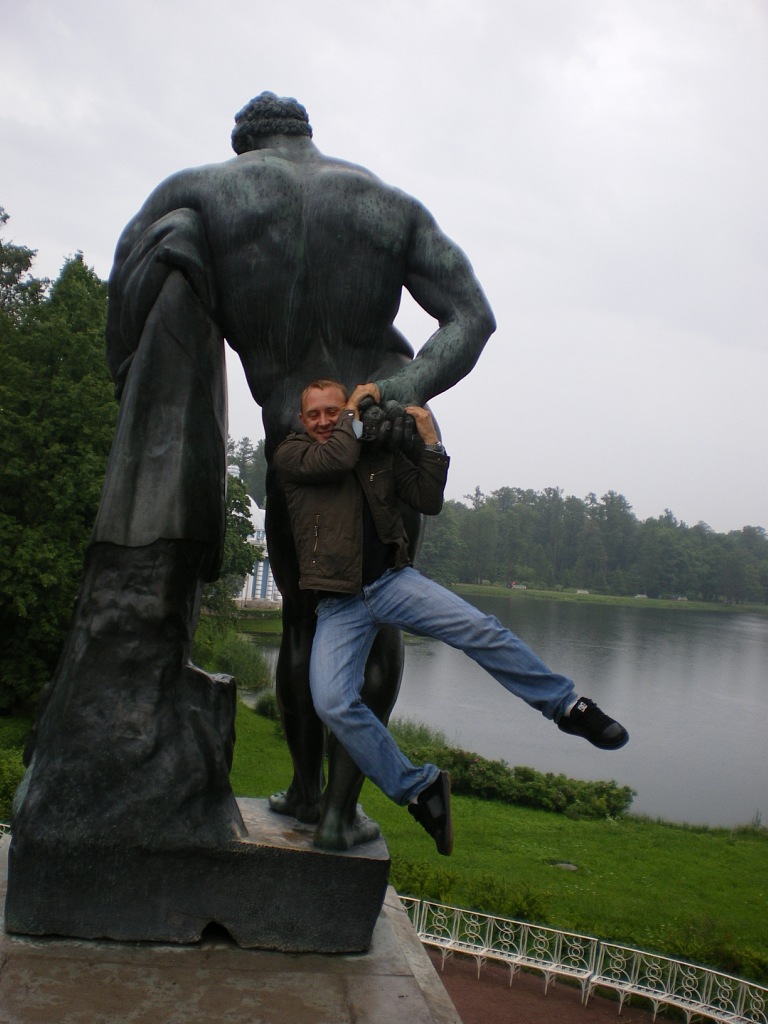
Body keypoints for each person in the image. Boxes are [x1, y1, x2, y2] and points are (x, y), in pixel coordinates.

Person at [275, 379, 629, 856]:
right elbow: (337, 457)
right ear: (303, 420)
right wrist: (355, 408)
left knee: (479, 629)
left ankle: (567, 706)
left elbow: (427, 498)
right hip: (339, 605)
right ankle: (419, 789)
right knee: (333, 703)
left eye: (331, 411)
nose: (324, 421)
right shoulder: (294, 455)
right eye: (315, 414)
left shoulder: (375, 453)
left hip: (392, 584)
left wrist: (430, 442)